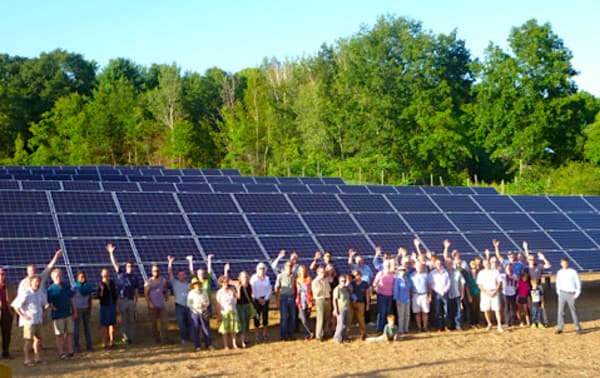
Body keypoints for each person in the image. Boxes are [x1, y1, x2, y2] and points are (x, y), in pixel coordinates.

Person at [11, 275, 47, 366]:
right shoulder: (26, 293)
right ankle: (27, 359)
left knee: (38, 339)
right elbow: (15, 306)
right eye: (36, 282)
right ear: (31, 283)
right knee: (28, 340)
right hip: (29, 321)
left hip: (38, 320)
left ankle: (37, 357)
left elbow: (44, 304)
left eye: (39, 282)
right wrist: (23, 315)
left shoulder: (40, 293)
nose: (37, 284)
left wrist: (44, 312)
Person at [107, 243, 139, 344]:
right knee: (124, 321)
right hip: (122, 300)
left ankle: (131, 338)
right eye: (128, 266)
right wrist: (111, 253)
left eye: (131, 266)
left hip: (131, 300)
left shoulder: (135, 277)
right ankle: (125, 338)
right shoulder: (121, 274)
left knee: (131, 320)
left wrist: (136, 301)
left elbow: (136, 290)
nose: (130, 267)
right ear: (125, 267)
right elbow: (114, 263)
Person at [46, 268, 76, 360]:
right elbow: (49, 302)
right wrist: (54, 308)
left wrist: (74, 311)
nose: (58, 277)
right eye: (56, 276)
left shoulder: (66, 286)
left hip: (68, 313)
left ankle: (70, 351)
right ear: (52, 278)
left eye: (59, 276)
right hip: (58, 315)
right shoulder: (50, 289)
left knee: (69, 333)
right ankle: (61, 352)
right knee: (60, 335)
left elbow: (71, 299)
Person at [523, 241, 551, 326]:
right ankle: (534, 321)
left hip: (538, 287)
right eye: (530, 259)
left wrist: (544, 258)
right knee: (531, 305)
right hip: (530, 289)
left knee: (541, 305)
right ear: (528, 260)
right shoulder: (526, 269)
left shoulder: (539, 266)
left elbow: (548, 265)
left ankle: (544, 321)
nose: (532, 260)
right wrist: (526, 249)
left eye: (533, 259)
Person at [555, 258, 582, 335]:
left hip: (571, 294)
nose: (564, 264)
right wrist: (558, 292)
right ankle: (560, 327)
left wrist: (577, 294)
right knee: (560, 311)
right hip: (562, 293)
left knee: (573, 311)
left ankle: (577, 328)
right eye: (563, 263)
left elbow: (578, 283)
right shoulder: (559, 272)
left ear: (568, 263)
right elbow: (558, 283)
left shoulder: (573, 272)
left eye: (565, 263)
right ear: (561, 264)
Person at [167, 256, 190, 345]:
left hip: (188, 306)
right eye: (180, 275)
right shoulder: (175, 283)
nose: (182, 276)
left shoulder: (189, 284)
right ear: (178, 276)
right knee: (181, 323)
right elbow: (170, 273)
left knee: (188, 323)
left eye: (183, 275)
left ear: (185, 275)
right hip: (179, 306)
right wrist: (170, 262)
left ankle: (188, 338)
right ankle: (183, 339)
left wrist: (189, 262)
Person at [144, 264, 169, 343]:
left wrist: (166, 296)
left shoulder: (163, 280)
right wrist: (149, 303)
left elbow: (165, 289)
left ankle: (164, 339)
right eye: (155, 271)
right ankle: (156, 339)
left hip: (161, 305)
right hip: (152, 306)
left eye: (157, 271)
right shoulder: (148, 282)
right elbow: (146, 294)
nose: (156, 272)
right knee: (153, 323)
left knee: (164, 322)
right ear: (152, 272)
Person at [477, 259, 503, 332]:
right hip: (485, 293)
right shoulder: (481, 273)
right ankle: (489, 324)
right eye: (485, 263)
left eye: (488, 263)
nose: (487, 265)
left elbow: (499, 282)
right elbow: (480, 285)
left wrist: (495, 291)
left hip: (494, 292)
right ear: (483, 264)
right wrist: (486, 292)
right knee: (486, 309)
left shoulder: (495, 272)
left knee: (497, 309)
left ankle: (499, 325)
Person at [187, 277, 212, 351]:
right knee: (196, 329)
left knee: (206, 329)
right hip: (195, 313)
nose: (197, 286)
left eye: (197, 284)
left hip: (203, 312)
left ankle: (208, 344)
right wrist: (196, 307)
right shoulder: (191, 293)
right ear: (193, 285)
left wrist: (204, 305)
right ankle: (197, 345)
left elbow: (208, 301)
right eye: (195, 284)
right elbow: (189, 304)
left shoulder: (204, 291)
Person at [275, 261, 297, 341]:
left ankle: (290, 334)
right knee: (284, 317)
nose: (289, 267)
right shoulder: (280, 276)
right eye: (288, 266)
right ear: (284, 267)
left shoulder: (294, 276)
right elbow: (276, 288)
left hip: (292, 297)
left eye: (291, 266)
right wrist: (277, 300)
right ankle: (283, 335)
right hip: (283, 298)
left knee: (292, 317)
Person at [216, 275, 239, 349]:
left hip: (233, 311)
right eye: (224, 282)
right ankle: (226, 345)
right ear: (221, 283)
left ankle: (234, 344)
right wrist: (219, 314)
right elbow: (218, 304)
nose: (225, 284)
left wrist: (238, 288)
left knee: (233, 329)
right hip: (224, 312)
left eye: (226, 282)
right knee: (225, 330)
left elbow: (238, 297)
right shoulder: (219, 292)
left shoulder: (232, 290)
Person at [72, 270, 93, 352]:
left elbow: (90, 299)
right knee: (77, 328)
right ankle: (76, 346)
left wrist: (90, 309)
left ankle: (89, 345)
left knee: (87, 328)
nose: (83, 278)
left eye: (84, 276)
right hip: (78, 309)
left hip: (86, 309)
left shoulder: (88, 287)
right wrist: (74, 311)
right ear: (78, 278)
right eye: (81, 277)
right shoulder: (75, 287)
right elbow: (72, 299)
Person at [250, 262, 271, 342]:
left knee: (265, 317)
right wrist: (258, 299)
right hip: (256, 300)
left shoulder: (267, 278)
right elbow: (252, 290)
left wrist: (265, 298)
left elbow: (269, 289)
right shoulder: (254, 278)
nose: (262, 270)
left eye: (263, 269)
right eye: (260, 269)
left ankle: (264, 335)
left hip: (265, 299)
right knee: (257, 317)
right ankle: (257, 335)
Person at [97, 268, 118, 349]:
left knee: (112, 324)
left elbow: (115, 295)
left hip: (112, 305)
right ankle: (104, 342)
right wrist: (102, 290)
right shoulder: (100, 284)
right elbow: (99, 297)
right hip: (104, 306)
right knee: (104, 325)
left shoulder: (112, 283)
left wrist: (117, 305)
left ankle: (112, 342)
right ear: (101, 274)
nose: (106, 275)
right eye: (104, 273)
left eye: (107, 273)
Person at [428, 258, 450, 332]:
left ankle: (445, 326)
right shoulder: (432, 273)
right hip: (436, 294)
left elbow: (448, 282)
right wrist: (438, 291)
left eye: (440, 263)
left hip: (445, 294)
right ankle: (438, 327)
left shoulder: (445, 272)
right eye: (437, 264)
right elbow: (431, 285)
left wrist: (445, 290)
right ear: (435, 265)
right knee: (437, 311)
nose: (439, 265)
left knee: (446, 311)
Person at [373, 259, 395, 333]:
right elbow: (374, 283)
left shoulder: (393, 274)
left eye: (389, 265)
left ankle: (387, 328)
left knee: (388, 312)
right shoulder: (380, 273)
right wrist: (377, 286)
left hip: (390, 295)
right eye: (386, 265)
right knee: (382, 312)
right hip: (381, 295)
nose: (388, 266)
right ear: (384, 266)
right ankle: (380, 329)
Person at [349, 269, 370, 340]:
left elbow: (367, 294)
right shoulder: (352, 284)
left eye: (357, 275)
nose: (356, 277)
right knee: (349, 318)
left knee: (361, 318)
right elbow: (351, 293)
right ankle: (346, 333)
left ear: (360, 275)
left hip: (361, 302)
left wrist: (367, 304)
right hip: (351, 303)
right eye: (354, 276)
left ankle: (363, 333)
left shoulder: (365, 284)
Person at [0, 268, 16, 359]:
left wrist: (13, 311)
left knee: (6, 333)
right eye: (0, 274)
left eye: (3, 274)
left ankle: (5, 352)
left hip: (7, 311)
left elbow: (14, 297)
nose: (1, 276)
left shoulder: (9, 286)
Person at [295, 265, 314, 340]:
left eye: (304, 270)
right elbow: (297, 291)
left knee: (307, 318)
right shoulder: (297, 280)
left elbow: (311, 290)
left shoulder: (309, 279)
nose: (303, 272)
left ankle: (307, 334)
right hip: (301, 300)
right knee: (303, 319)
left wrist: (312, 300)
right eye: (301, 271)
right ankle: (311, 332)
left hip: (308, 300)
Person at [410, 261, 430, 332]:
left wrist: (430, 295)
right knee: (417, 312)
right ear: (415, 267)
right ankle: (419, 327)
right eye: (418, 266)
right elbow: (410, 287)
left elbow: (429, 286)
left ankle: (425, 327)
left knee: (425, 311)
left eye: (421, 266)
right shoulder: (412, 275)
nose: (419, 268)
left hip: (424, 294)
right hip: (415, 295)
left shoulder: (426, 275)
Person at [236, 271, 253, 348]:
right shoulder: (238, 286)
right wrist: (238, 290)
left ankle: (245, 339)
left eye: (246, 276)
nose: (245, 278)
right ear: (240, 278)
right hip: (240, 306)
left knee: (246, 323)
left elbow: (251, 296)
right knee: (242, 323)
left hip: (247, 306)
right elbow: (238, 298)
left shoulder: (249, 286)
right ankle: (242, 342)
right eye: (243, 277)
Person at [393, 265, 412, 336]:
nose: (403, 272)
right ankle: (401, 329)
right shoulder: (397, 280)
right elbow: (396, 290)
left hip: (407, 299)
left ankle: (406, 329)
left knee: (407, 314)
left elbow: (410, 287)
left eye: (404, 270)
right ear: (399, 272)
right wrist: (397, 299)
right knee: (401, 315)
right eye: (401, 271)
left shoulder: (407, 279)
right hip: (400, 299)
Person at [447, 259, 465, 331]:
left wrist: (462, 293)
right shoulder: (444, 272)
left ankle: (458, 325)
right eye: (447, 263)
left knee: (458, 311)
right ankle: (451, 325)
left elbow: (462, 283)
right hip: (447, 295)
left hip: (457, 294)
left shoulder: (457, 272)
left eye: (450, 263)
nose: (449, 265)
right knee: (450, 311)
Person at [332, 274, 350, 343]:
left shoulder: (345, 289)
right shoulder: (337, 289)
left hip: (347, 308)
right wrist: (335, 309)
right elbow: (334, 299)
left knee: (346, 323)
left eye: (345, 280)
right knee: (340, 324)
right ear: (339, 281)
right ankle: (337, 338)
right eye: (342, 281)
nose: (344, 282)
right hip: (340, 308)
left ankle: (344, 337)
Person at [464, 260, 481, 328]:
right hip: (471, 293)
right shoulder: (468, 275)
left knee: (477, 308)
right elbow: (467, 286)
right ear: (470, 265)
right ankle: (472, 323)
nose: (473, 265)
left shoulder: (478, 273)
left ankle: (477, 322)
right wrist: (469, 296)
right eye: (472, 264)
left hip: (478, 293)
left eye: (474, 264)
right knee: (472, 309)